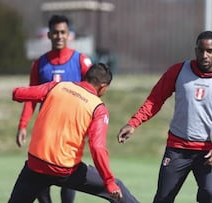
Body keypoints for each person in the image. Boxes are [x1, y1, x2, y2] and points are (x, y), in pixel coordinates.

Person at [117, 31, 212, 203]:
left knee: (209, 196)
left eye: (209, 51)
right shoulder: (178, 71)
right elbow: (155, 99)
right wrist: (133, 123)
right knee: (162, 199)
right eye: (200, 50)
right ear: (195, 50)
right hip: (177, 148)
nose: (204, 55)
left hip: (208, 150)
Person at [8, 63, 140, 203]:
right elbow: (97, 148)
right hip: (65, 170)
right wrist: (109, 181)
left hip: (35, 165)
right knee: (117, 187)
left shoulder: (56, 87)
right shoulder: (98, 108)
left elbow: (18, 93)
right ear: (103, 86)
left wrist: (19, 94)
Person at [16, 14, 92, 203]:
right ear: (49, 35)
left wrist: (91, 124)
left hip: (71, 131)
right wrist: (23, 125)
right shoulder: (39, 64)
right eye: (55, 33)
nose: (59, 36)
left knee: (67, 179)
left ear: (69, 35)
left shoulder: (81, 61)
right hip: (46, 131)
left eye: (63, 32)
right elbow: (30, 98)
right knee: (41, 179)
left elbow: (92, 95)